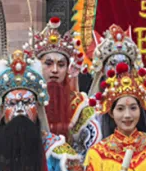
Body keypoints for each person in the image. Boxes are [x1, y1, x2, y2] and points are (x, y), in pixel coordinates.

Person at [24, 17, 97, 154]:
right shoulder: (25, 101)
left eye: (61, 65)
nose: (55, 70)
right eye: (48, 63)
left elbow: (89, 149)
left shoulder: (79, 104)